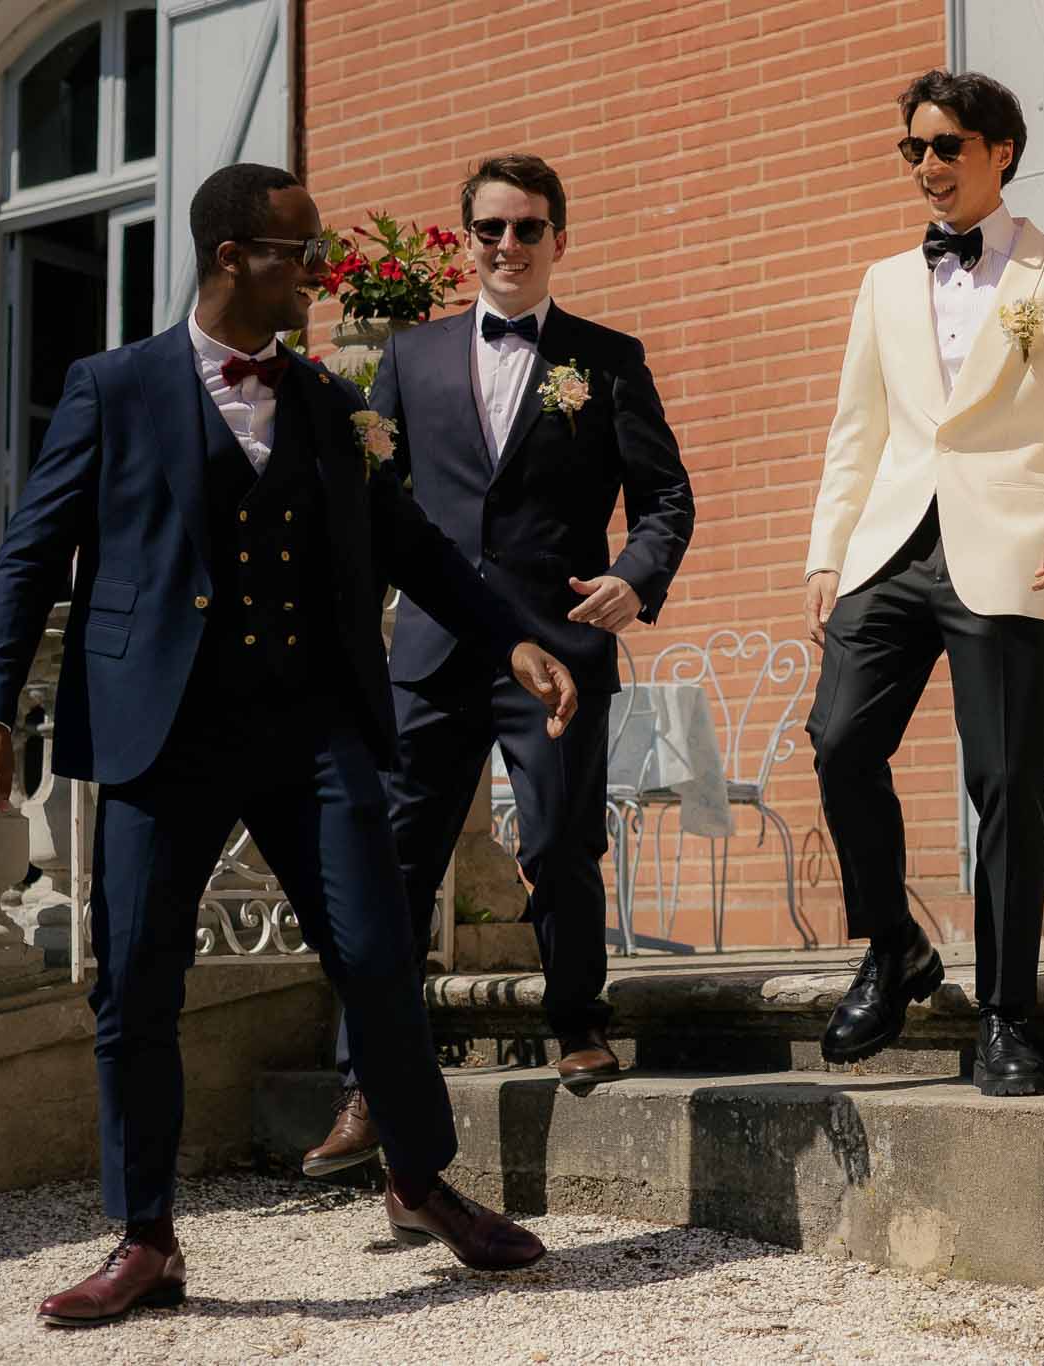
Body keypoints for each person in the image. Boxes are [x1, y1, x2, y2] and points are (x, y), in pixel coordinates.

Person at [0, 162, 574, 1328]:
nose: (321, 271)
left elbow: (417, 546)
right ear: (232, 255)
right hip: (161, 733)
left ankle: (417, 1180)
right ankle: (144, 1237)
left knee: (378, 952)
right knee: (135, 981)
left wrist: (514, 642)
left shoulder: (338, 407)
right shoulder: (114, 386)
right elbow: (30, 555)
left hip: (310, 727)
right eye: (300, 252)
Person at [301, 154, 694, 1178]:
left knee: (561, 839)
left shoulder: (606, 360)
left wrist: (632, 579)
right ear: (465, 239)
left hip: (558, 644)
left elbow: (663, 498)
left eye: (528, 229)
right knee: (390, 863)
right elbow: (376, 499)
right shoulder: (413, 357)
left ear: (560, 238)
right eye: (490, 230)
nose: (508, 247)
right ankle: (364, 1083)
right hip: (429, 648)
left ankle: (576, 1018)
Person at [801, 70, 1044, 1097]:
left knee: (1003, 785)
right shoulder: (882, 283)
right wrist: (826, 551)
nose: (928, 167)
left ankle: (1004, 1016)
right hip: (891, 545)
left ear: (999, 152)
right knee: (839, 737)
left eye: (946, 146)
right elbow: (856, 429)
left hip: (1009, 546)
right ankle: (893, 943)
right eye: (913, 149)